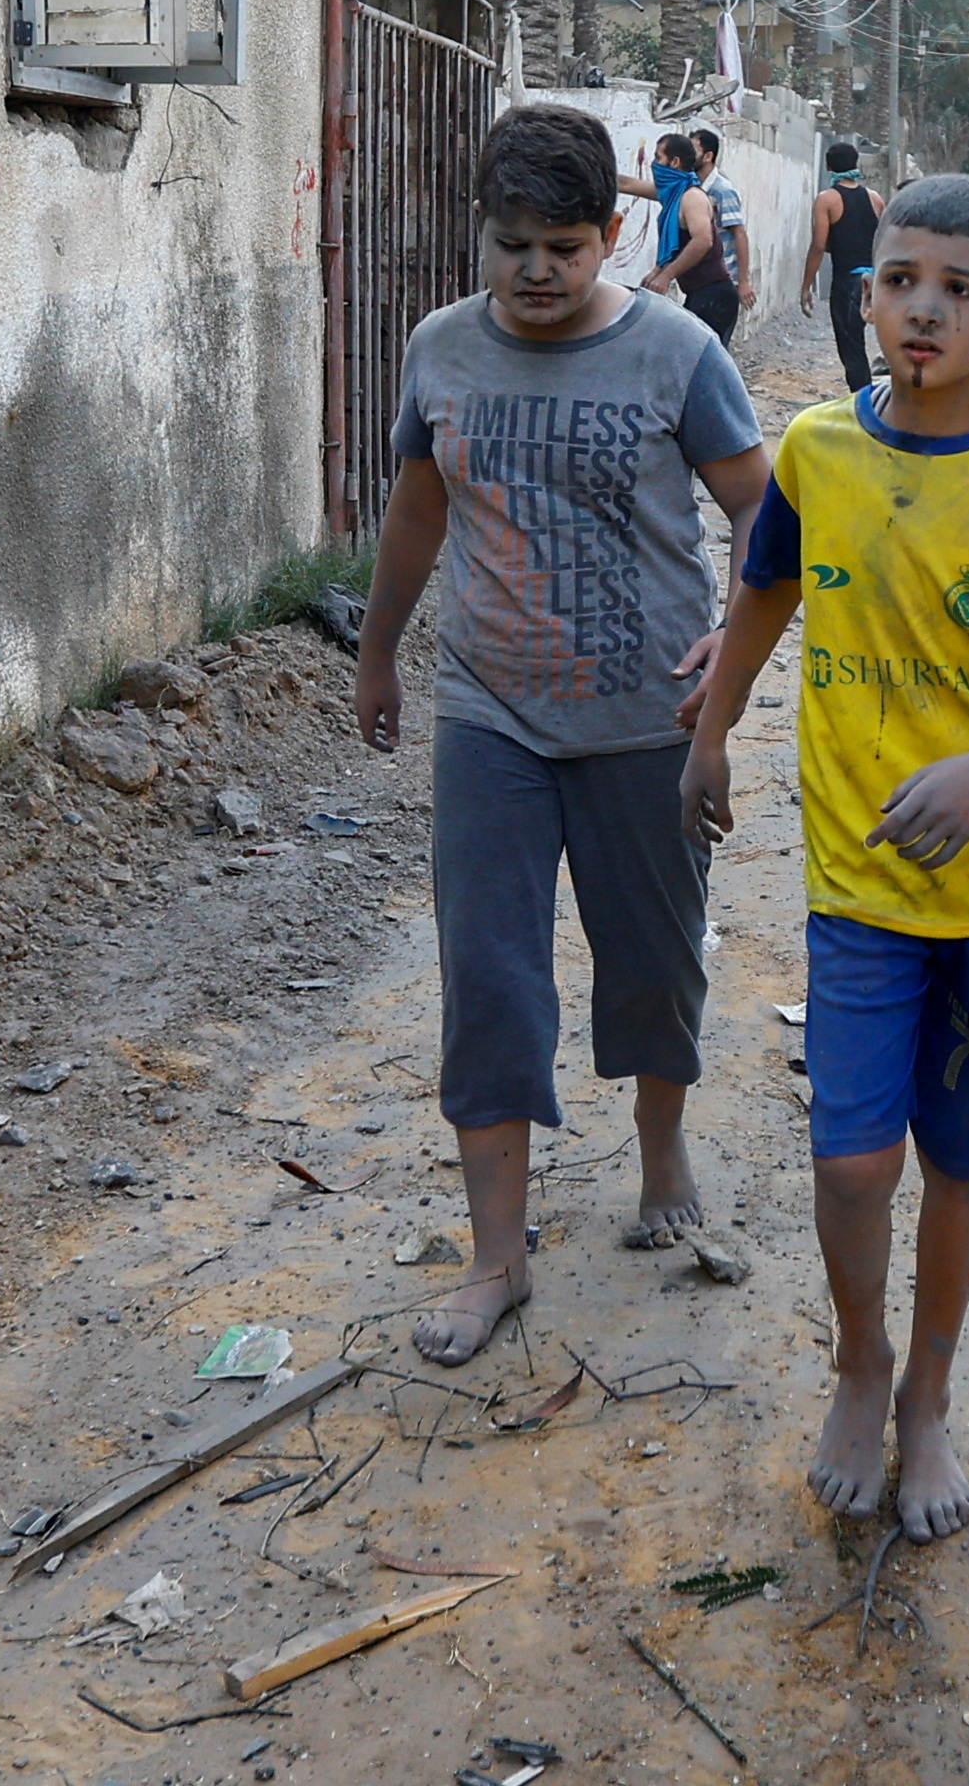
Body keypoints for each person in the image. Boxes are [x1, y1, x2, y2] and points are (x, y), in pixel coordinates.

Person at [685, 174, 969, 1540]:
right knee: (850, 1164)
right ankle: (859, 1362)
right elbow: (766, 585)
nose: (924, 310)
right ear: (867, 292)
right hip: (858, 880)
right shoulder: (821, 450)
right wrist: (711, 733)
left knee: (960, 1161)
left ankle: (931, 1396)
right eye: (901, 281)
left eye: (959, 289)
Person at [354, 102, 775, 1367]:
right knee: (488, 979)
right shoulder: (442, 353)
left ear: (610, 236)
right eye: (511, 244)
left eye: (565, 245)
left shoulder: (678, 353)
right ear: (482, 239)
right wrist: (379, 652)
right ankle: (499, 1259)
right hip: (488, 715)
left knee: (651, 962)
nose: (536, 270)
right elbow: (417, 516)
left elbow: (764, 514)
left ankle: (662, 1155)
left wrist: (732, 653)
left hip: (646, 720)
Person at [640, 129, 741, 347]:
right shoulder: (675, 194)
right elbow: (628, 185)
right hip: (701, 294)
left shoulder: (692, 197)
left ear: (674, 162)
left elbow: (702, 241)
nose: (654, 164)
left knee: (703, 367)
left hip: (714, 296)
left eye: (658, 157)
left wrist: (666, 276)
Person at [797, 138, 881, 393]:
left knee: (852, 348)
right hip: (876, 280)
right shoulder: (875, 198)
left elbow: (819, 246)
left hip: (848, 283)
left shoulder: (827, 199)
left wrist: (806, 286)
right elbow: (885, 239)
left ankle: (862, 403)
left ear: (828, 167)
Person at [691, 126, 754, 314]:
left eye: (693, 150)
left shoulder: (722, 190)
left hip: (720, 280)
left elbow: (739, 233)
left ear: (708, 156)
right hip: (701, 279)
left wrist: (743, 281)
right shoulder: (694, 187)